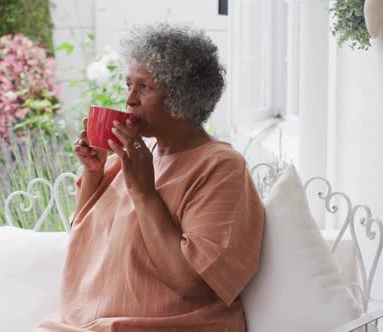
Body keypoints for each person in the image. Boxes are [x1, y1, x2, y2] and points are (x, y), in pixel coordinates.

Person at [37, 23, 264, 332]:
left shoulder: (220, 167)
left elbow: (193, 282)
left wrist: (144, 191)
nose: (129, 99)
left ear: (183, 98)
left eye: (145, 87)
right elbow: (86, 244)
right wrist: (94, 174)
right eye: (128, 84)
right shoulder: (136, 157)